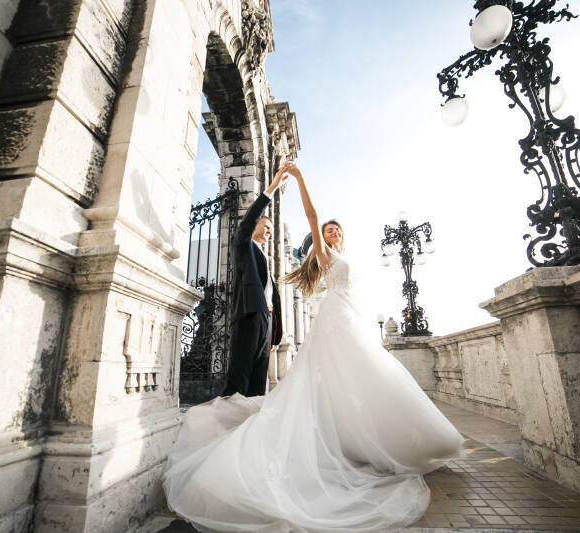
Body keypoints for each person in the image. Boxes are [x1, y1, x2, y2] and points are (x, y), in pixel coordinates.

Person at [164, 162, 464, 532]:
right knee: (242, 384)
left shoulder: (331, 257)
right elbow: (311, 213)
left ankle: (364, 439)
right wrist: (292, 182)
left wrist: (275, 329)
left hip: (324, 319)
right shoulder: (279, 247)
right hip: (304, 320)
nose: (332, 232)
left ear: (344, 235)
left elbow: (275, 290)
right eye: (327, 230)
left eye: (336, 229)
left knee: (354, 380)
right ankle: (232, 435)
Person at [221, 171, 284, 397]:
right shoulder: (243, 246)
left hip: (266, 323)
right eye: (266, 226)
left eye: (271, 229)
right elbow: (247, 221)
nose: (269, 231)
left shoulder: (265, 258)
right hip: (249, 316)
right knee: (240, 380)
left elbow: (272, 297)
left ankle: (251, 427)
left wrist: (275, 334)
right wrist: (271, 189)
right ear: (255, 225)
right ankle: (228, 426)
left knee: (259, 384)